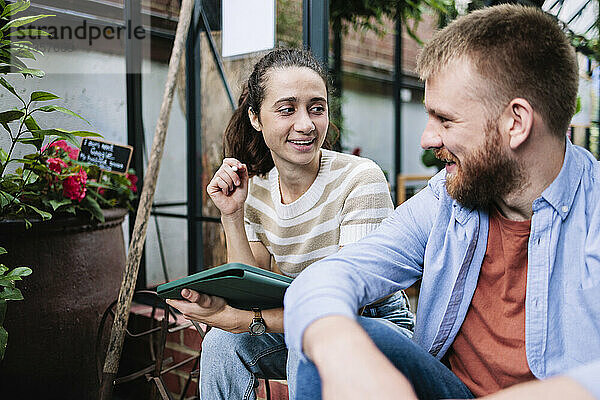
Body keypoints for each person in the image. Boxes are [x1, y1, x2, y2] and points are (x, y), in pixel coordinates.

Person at [283, 5, 600, 400]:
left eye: (445, 120)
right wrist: (341, 351)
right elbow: (326, 278)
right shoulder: (447, 198)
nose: (427, 140)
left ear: (516, 123)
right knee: (338, 336)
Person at [166, 48, 414, 400]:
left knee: (308, 344)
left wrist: (243, 321)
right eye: (287, 109)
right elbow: (248, 284)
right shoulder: (256, 187)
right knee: (222, 343)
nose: (306, 124)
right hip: (297, 319)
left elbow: (345, 308)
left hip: (372, 323)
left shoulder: (360, 178)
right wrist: (232, 215)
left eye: (317, 108)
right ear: (256, 117)